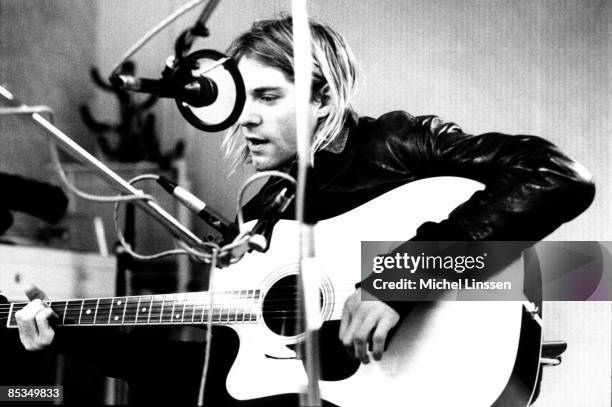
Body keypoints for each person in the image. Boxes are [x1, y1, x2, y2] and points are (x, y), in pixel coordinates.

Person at [14, 15, 595, 406]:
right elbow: (218, 375)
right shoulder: (265, 206)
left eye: (269, 97)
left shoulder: (396, 146)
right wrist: (68, 334)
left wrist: (392, 284)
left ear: (322, 98)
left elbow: (557, 177)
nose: (247, 118)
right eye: (242, 101)